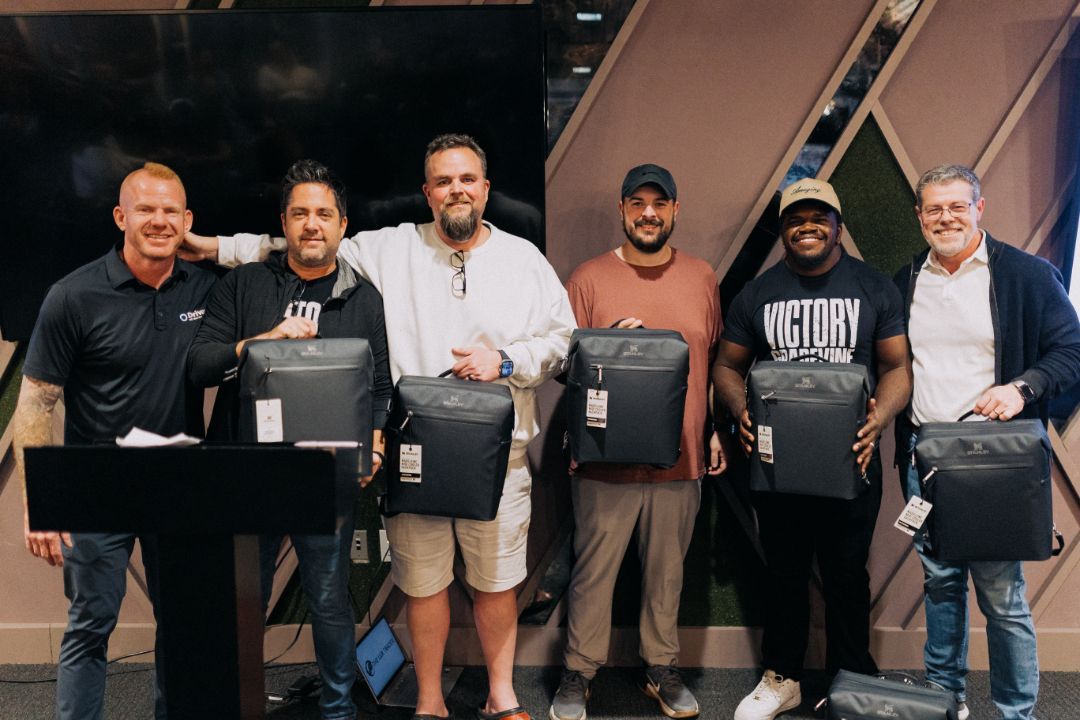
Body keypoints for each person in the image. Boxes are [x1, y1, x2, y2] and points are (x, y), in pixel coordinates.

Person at [183, 134, 575, 720]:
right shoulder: (387, 250)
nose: (456, 190)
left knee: (496, 584)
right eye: (443, 181)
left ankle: (502, 696)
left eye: (467, 179)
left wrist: (509, 361)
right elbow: (299, 241)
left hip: (498, 458)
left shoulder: (525, 260)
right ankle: (429, 701)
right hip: (413, 456)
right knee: (423, 585)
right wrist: (212, 244)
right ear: (427, 192)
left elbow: (563, 343)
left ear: (486, 189)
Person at [187, 159, 392, 720]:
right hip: (245, 471)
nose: (312, 224)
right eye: (300, 213)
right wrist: (263, 341)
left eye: (324, 214)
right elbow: (199, 364)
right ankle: (240, 705)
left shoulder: (363, 299)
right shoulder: (244, 284)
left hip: (324, 476)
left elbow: (379, 386)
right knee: (243, 601)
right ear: (284, 222)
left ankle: (337, 710)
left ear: (342, 226)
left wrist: (374, 442)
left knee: (327, 598)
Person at [13, 162, 216, 720]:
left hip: (176, 486)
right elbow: (36, 406)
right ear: (120, 216)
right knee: (91, 625)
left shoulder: (206, 289)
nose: (158, 220)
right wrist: (41, 503)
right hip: (94, 490)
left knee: (181, 625)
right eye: (145, 209)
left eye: (170, 210)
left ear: (187, 219)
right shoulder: (73, 296)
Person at [712, 178, 911, 720]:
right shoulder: (756, 294)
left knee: (848, 574)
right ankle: (784, 678)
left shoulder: (873, 288)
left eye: (818, 217)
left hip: (853, 458)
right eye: (795, 218)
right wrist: (739, 409)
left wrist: (881, 416)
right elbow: (727, 366)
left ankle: (853, 681)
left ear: (837, 225)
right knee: (784, 572)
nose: (807, 226)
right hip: (778, 464)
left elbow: (897, 366)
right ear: (782, 229)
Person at [893, 164, 1080, 720]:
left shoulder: (1026, 275)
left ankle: (1014, 713)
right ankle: (945, 702)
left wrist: (1023, 388)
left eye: (957, 205)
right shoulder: (905, 279)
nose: (945, 217)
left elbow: (1071, 353)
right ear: (920, 218)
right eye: (934, 209)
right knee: (941, 587)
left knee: (1002, 598)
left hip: (996, 463)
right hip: (926, 460)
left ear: (980, 208)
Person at [551, 164, 726, 720]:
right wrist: (606, 349)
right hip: (605, 461)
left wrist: (715, 429)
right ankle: (578, 674)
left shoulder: (702, 277)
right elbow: (561, 365)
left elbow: (712, 362)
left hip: (683, 458)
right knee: (593, 574)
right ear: (622, 210)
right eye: (637, 203)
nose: (648, 213)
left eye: (659, 203)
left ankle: (661, 667)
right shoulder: (587, 279)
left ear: (675, 211)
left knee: (667, 573)